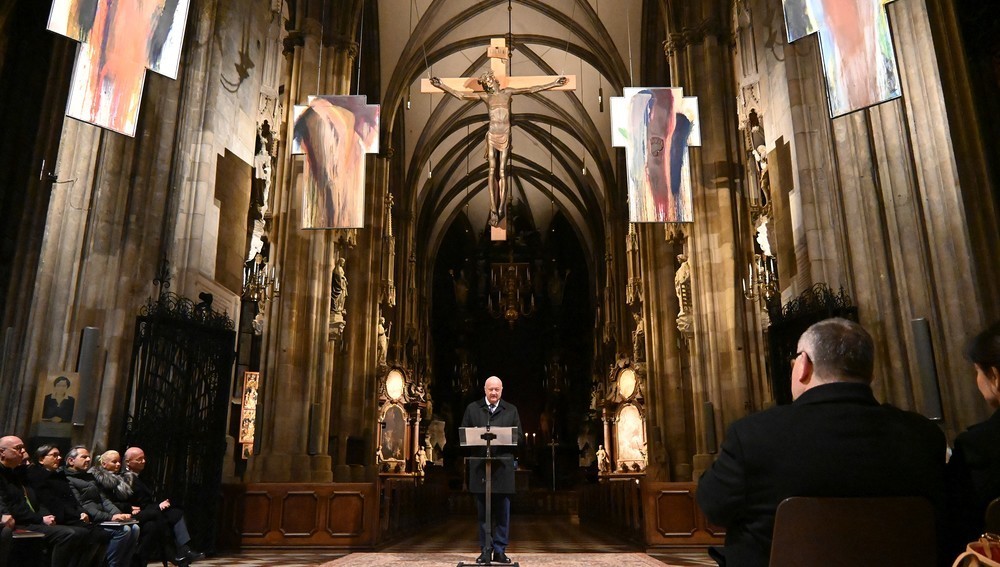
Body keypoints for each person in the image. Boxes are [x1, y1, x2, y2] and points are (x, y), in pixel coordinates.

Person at [696, 318, 947, 567]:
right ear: (870, 373)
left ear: (804, 364)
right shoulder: (923, 436)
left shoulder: (753, 435)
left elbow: (713, 506)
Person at [431, 71, 567, 226]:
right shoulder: (486, 97)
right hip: (492, 135)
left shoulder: (508, 93)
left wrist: (553, 83)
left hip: (504, 135)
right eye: (487, 83)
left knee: (502, 172)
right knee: (491, 170)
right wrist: (442, 85)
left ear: (495, 81)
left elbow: (531, 89)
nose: (489, 84)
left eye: (490, 80)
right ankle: (493, 209)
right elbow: (461, 95)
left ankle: (501, 207)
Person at [947, 322, 1000, 554]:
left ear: (994, 376)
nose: (977, 379)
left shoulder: (976, 449)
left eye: (977, 371)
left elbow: (957, 528)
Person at [0, 436, 92, 567]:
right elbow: (12, 506)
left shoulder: (16, 474)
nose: (22, 452)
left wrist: (44, 515)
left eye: (23, 449)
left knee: (84, 533)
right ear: (1, 452)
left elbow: (35, 501)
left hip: (29, 519)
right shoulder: (8, 474)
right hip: (19, 521)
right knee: (68, 534)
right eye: (18, 448)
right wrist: (40, 519)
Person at [460, 376, 522, 564]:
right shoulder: (473, 408)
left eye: (497, 389)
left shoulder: (511, 410)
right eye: (490, 389)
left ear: (502, 390)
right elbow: (464, 434)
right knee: (483, 513)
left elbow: (519, 437)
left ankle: (500, 550)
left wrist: (502, 437)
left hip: (502, 467)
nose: (494, 393)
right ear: (484, 390)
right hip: (480, 467)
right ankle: (485, 549)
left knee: (502, 512)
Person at [122, 447, 203, 566]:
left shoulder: (141, 476)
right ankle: (174, 553)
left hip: (148, 511)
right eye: (139, 459)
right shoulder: (126, 479)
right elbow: (133, 502)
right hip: (139, 513)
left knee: (176, 513)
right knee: (155, 523)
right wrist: (158, 506)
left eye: (144, 458)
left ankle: (183, 549)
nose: (143, 461)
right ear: (128, 462)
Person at [63, 447, 138, 567]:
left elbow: (104, 499)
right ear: (71, 461)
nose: (88, 459)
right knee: (124, 531)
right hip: (92, 518)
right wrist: (110, 517)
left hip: (102, 515)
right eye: (84, 457)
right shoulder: (67, 479)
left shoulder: (89, 477)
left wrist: (117, 514)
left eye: (89, 457)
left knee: (134, 528)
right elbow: (81, 504)